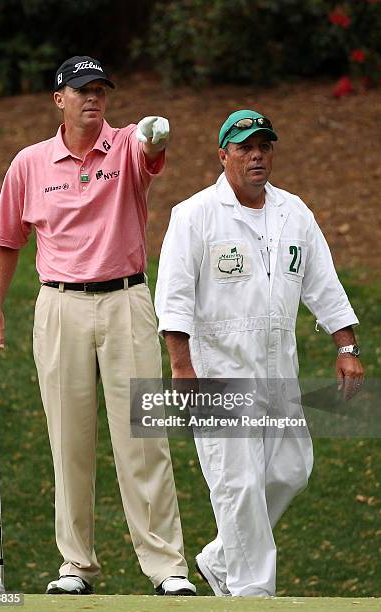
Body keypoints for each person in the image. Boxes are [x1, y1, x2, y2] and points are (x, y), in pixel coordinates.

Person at [0, 55, 196, 597]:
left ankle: (167, 568)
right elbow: (6, 240)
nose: (92, 98)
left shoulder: (124, 145)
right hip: (59, 307)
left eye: (100, 90)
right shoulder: (29, 164)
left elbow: (150, 149)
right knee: (68, 441)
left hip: (126, 302)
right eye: (81, 90)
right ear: (60, 100)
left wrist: (154, 137)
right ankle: (76, 565)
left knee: (143, 439)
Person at [154, 109, 364, 597]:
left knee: (292, 469)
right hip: (217, 371)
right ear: (222, 155)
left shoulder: (294, 213)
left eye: (263, 146)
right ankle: (252, 594)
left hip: (278, 374)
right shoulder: (195, 215)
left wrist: (346, 345)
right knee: (239, 485)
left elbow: (324, 284)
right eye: (245, 147)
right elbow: (174, 297)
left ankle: (220, 559)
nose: (256, 155)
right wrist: (182, 367)